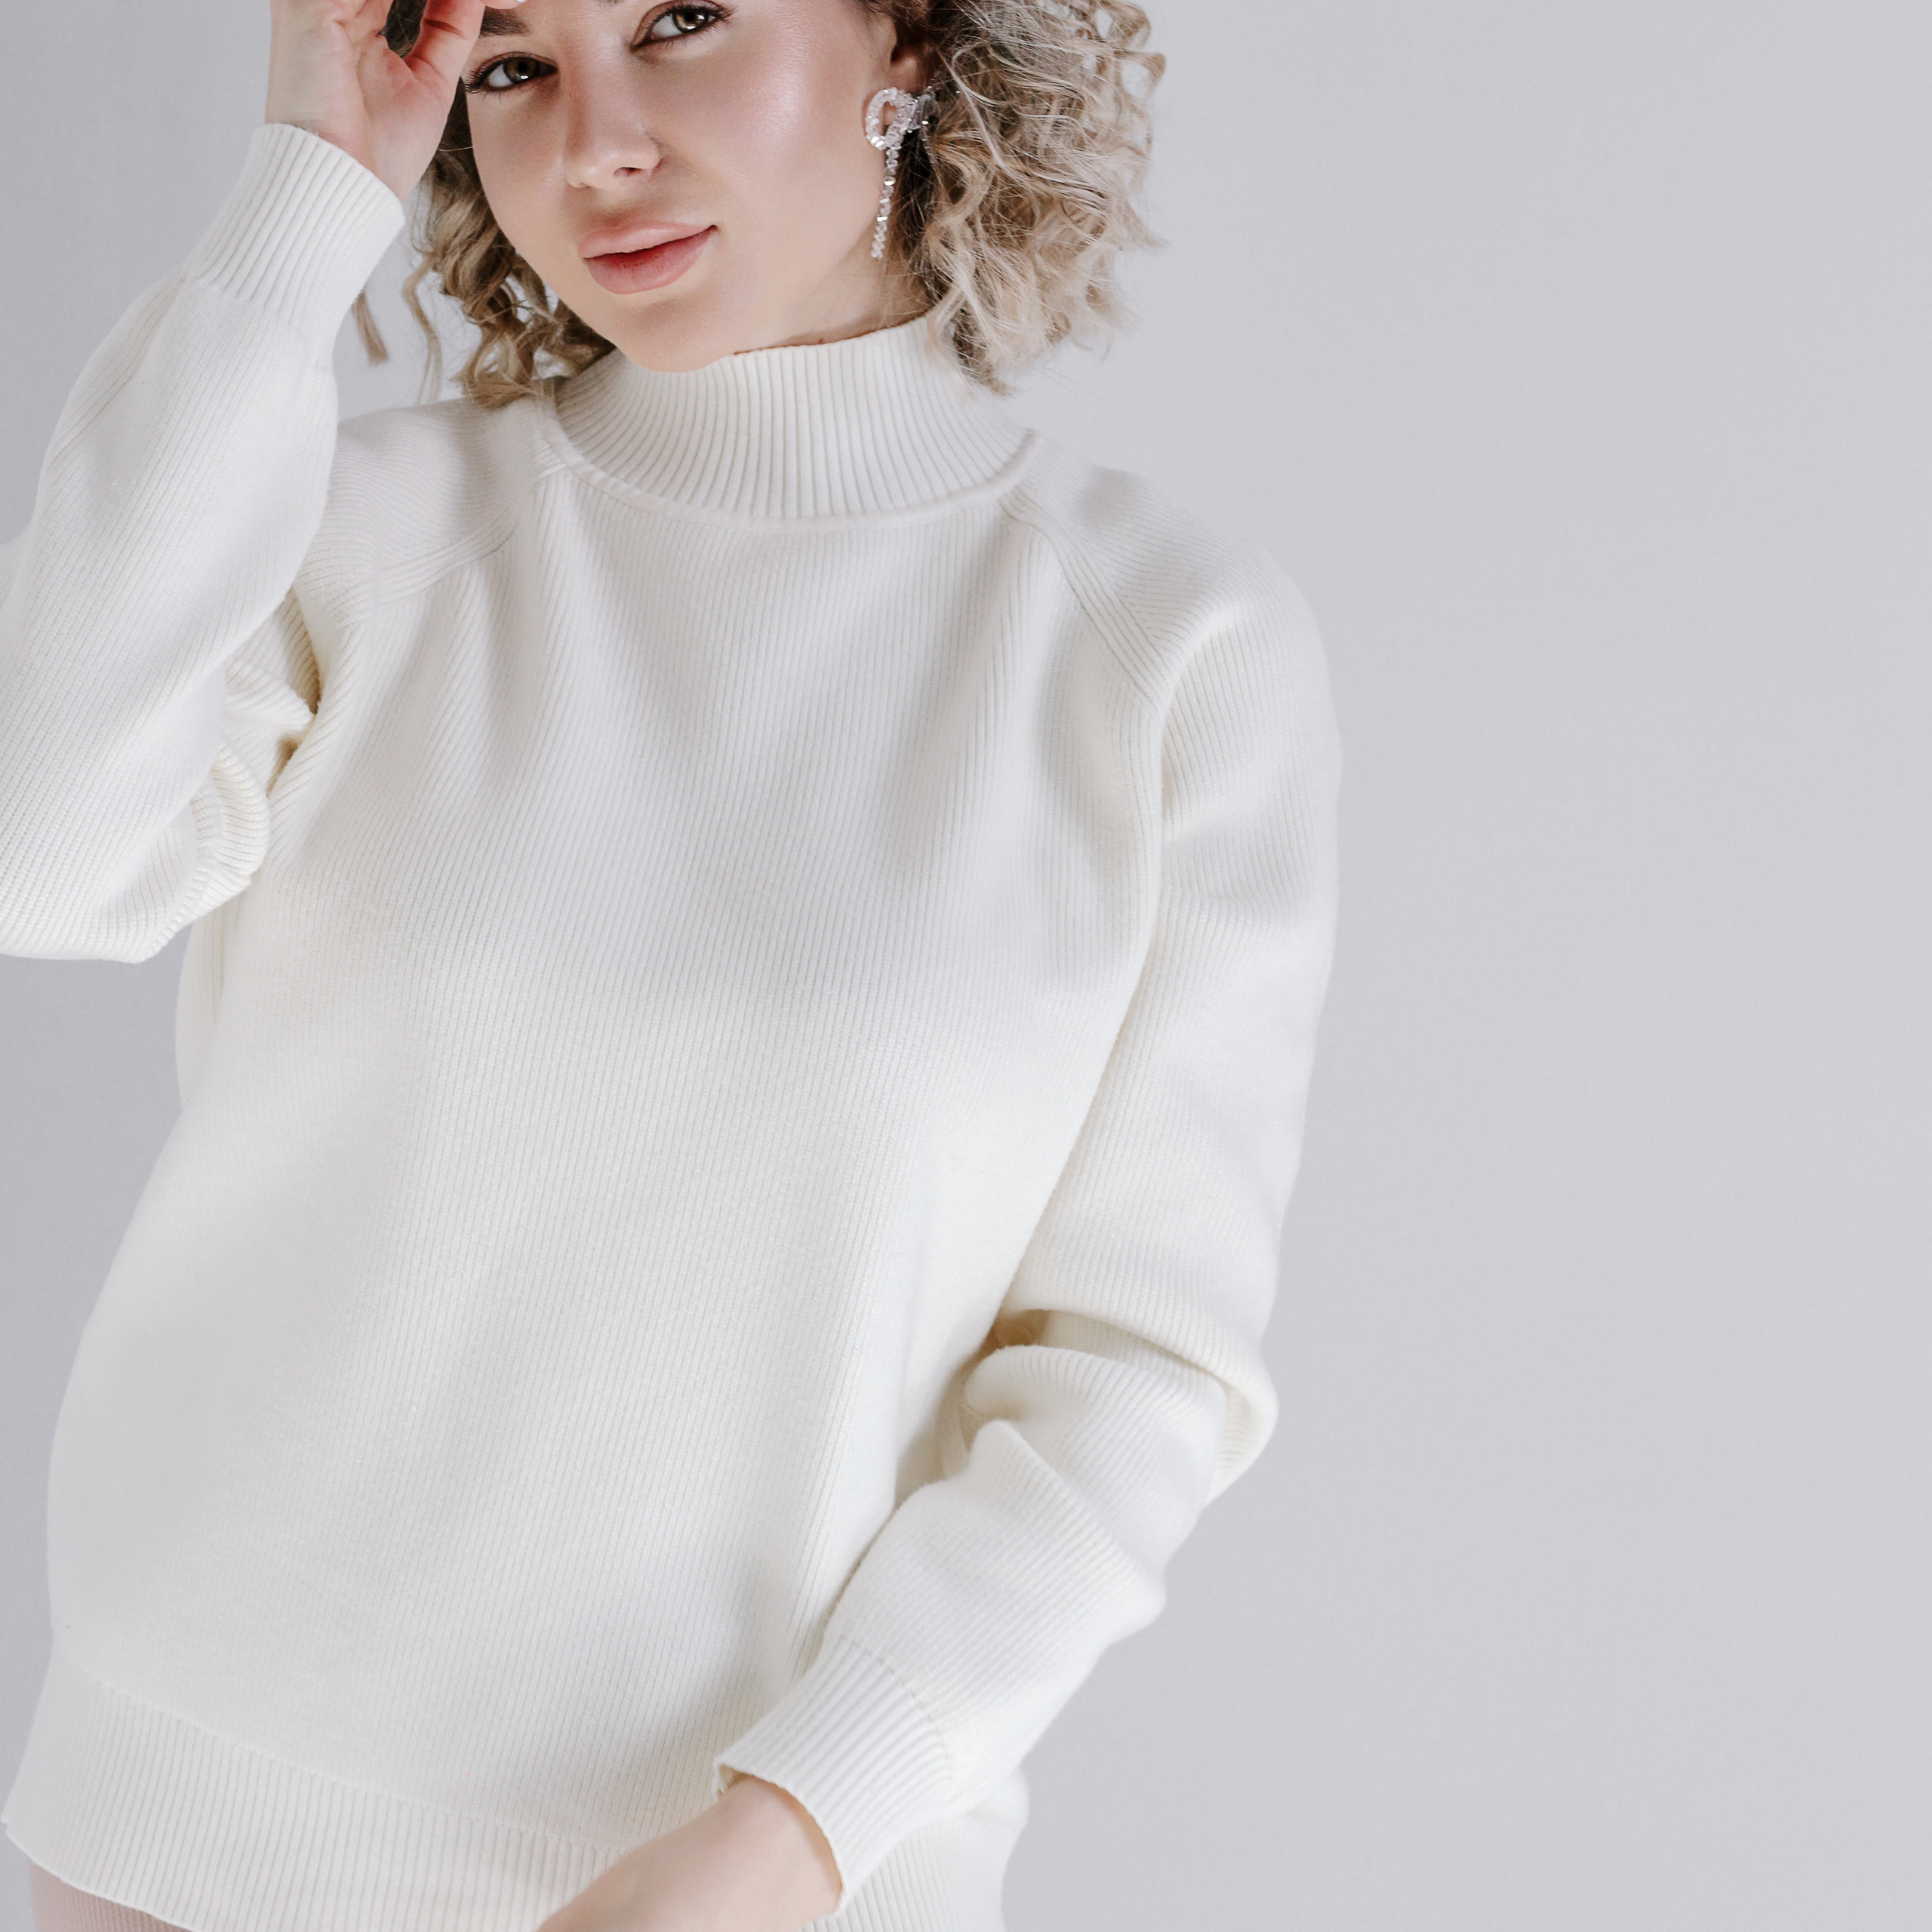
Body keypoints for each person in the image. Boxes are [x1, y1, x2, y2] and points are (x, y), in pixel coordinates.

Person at [0, 1, 1341, 1928]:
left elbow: (1133, 1368)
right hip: (194, 1840)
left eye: (681, 21)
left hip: (761, 1882)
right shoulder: (367, 537)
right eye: (513, 64)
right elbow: (41, 853)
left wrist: (794, 1828)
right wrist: (313, 179)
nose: (592, 147)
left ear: (907, 37)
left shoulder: (1160, 651)